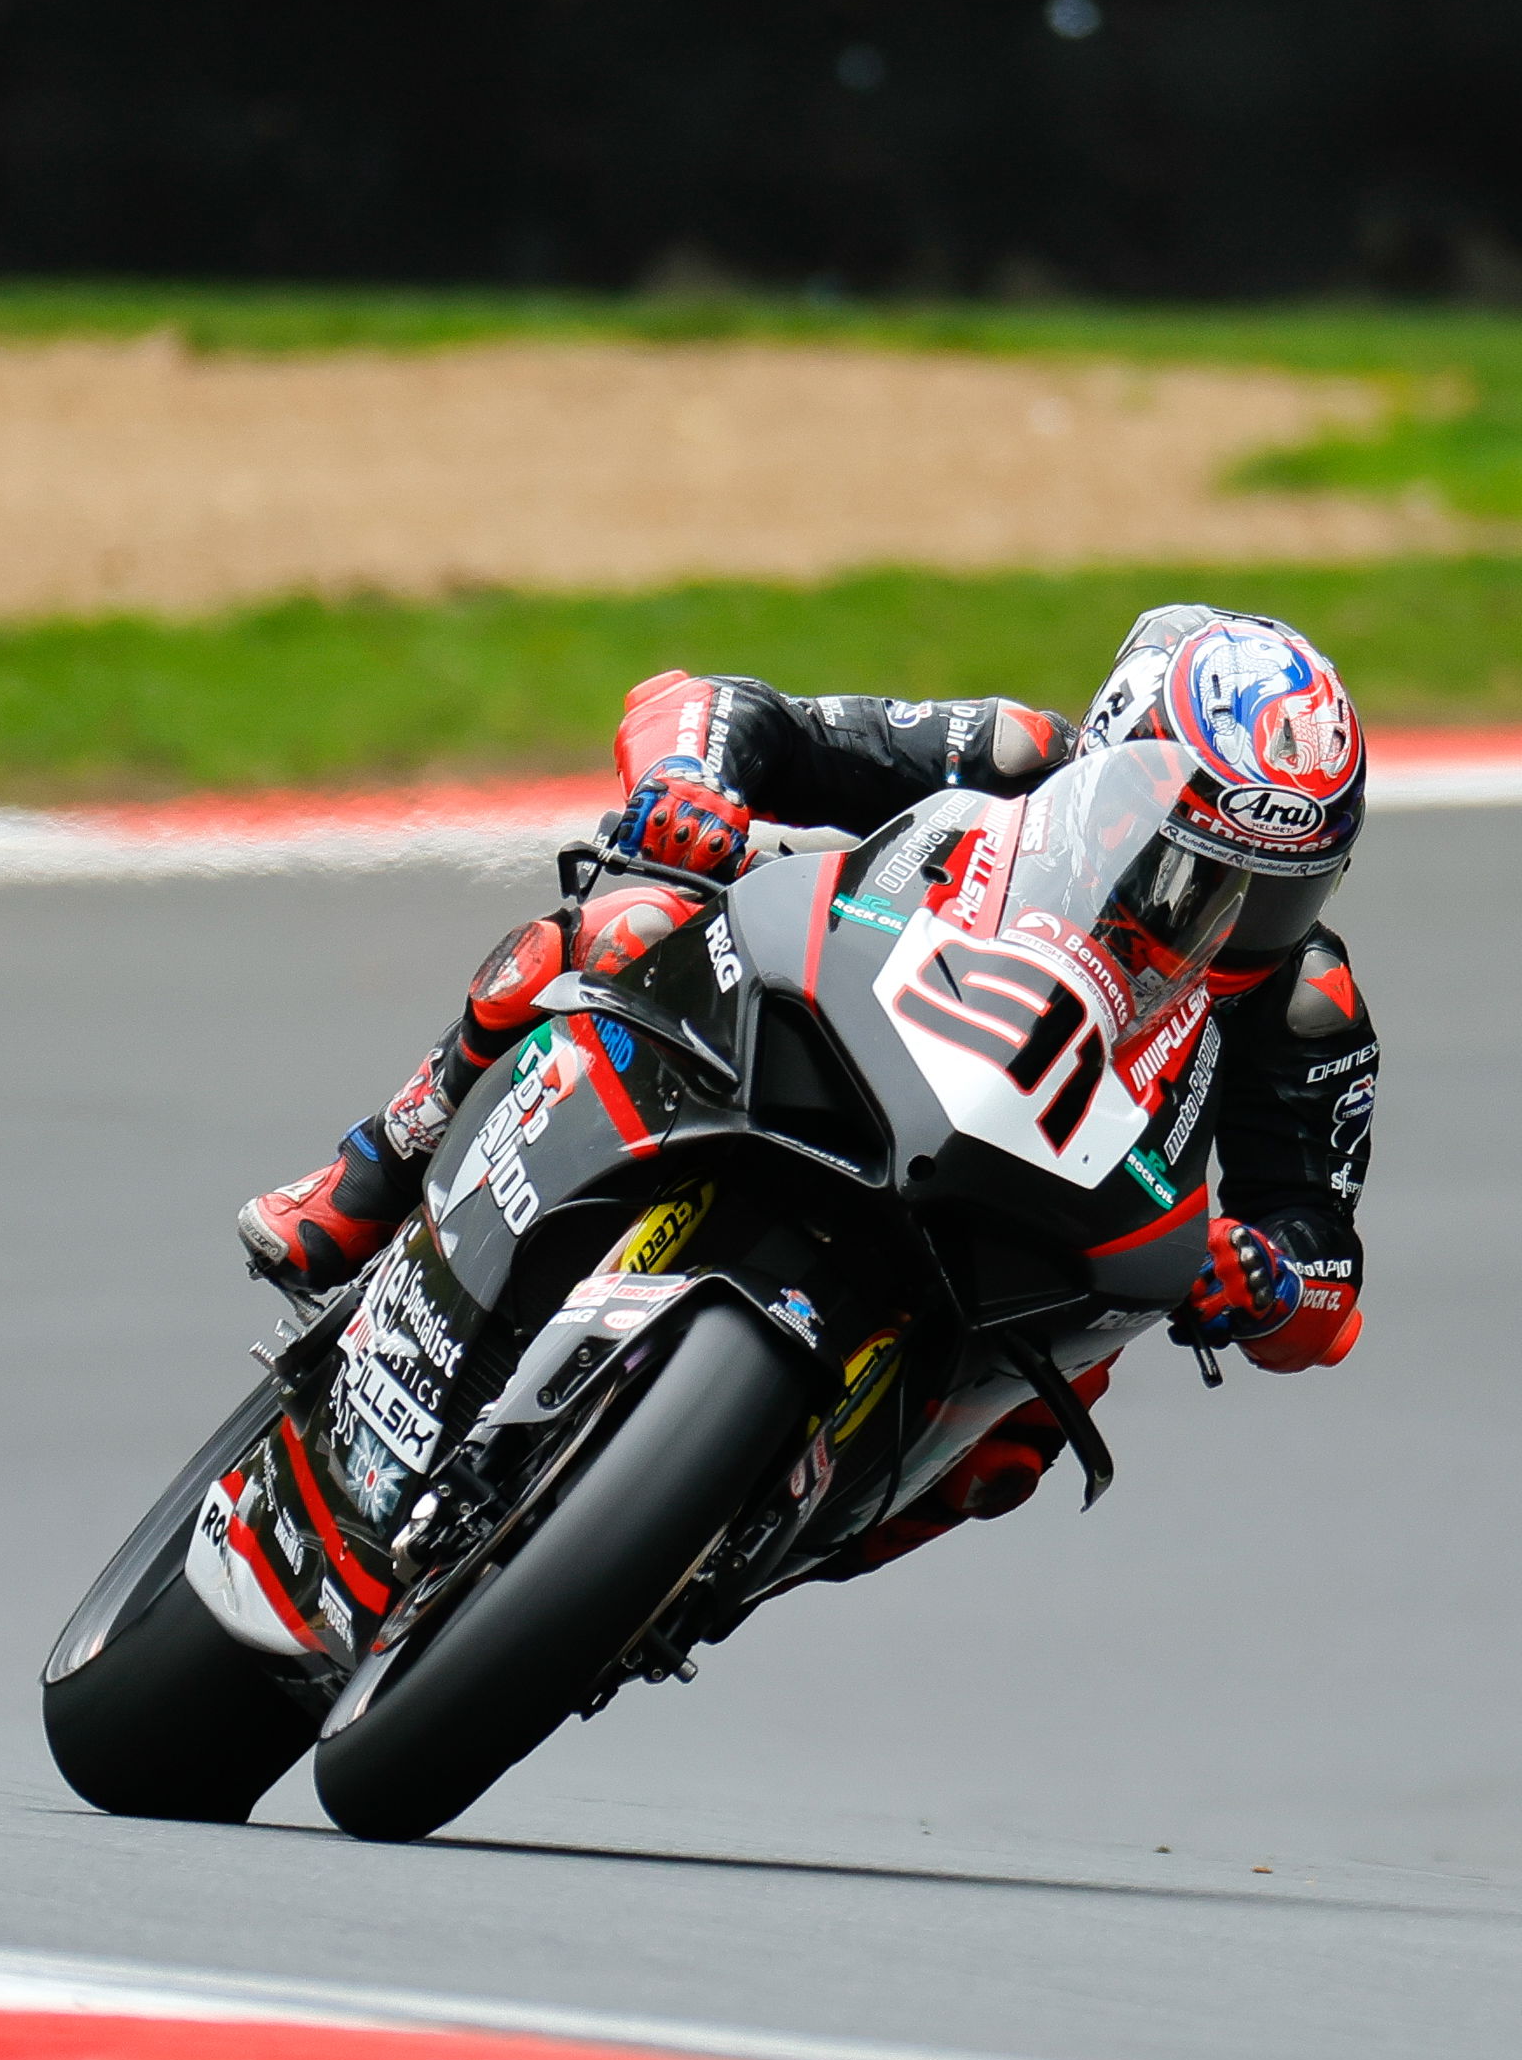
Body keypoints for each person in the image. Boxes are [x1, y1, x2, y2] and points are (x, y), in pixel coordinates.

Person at [239, 603, 1378, 1565]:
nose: (1228, 914)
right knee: (624, 922)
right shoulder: (1015, 758)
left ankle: (704, 1568)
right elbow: (729, 709)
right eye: (1199, 864)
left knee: (1026, 1440)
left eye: (1273, 891)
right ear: (1117, 779)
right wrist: (692, 783)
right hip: (840, 1033)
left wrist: (1272, 1278)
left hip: (1046, 1213)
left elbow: (1324, 1247)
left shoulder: (1302, 1004)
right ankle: (371, 1176)